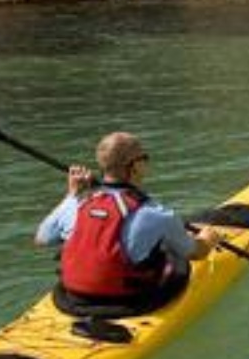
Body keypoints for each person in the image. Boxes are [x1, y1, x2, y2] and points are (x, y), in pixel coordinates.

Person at [35, 131, 220, 316]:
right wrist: (208, 239)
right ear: (134, 167)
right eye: (144, 158)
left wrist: (72, 194)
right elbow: (196, 253)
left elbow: (42, 238)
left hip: (73, 299)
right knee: (177, 259)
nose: (147, 162)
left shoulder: (77, 203)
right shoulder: (157, 214)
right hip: (127, 302)